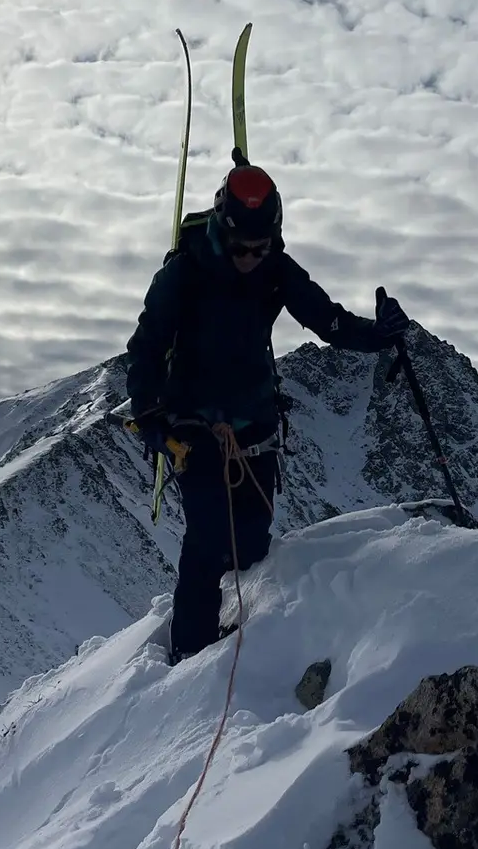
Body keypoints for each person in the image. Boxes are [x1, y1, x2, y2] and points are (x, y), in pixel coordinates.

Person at [124, 153, 408, 664]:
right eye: (241, 247)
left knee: (251, 541)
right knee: (207, 536)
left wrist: (379, 336)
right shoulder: (183, 274)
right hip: (191, 424)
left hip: (254, 422)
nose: (251, 256)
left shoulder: (275, 268)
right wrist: (149, 417)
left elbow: (327, 321)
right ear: (220, 228)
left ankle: (231, 605)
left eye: (262, 246)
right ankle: (189, 656)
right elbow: (145, 347)